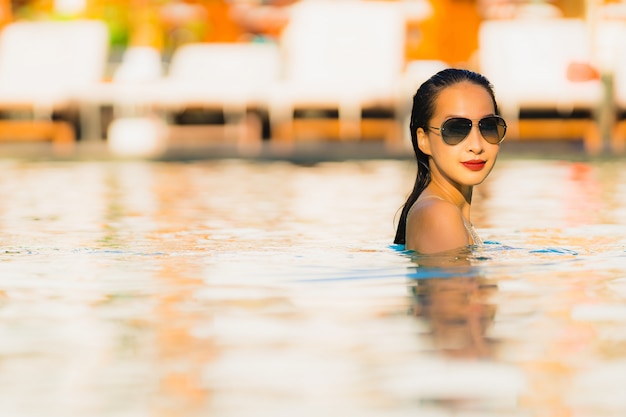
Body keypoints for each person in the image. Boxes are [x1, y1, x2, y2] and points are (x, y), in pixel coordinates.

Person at [394, 68, 507, 254]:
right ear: (424, 140)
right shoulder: (439, 214)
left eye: (488, 127)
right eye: (456, 129)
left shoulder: (440, 211)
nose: (476, 145)